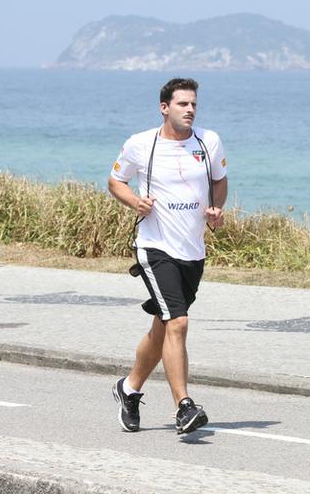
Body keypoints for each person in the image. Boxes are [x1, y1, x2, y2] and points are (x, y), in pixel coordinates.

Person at [108, 78, 228, 434]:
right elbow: (115, 181)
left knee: (163, 326)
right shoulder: (141, 144)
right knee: (178, 322)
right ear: (164, 107)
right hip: (154, 247)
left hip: (193, 251)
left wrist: (216, 209)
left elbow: (220, 180)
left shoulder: (209, 141)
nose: (190, 110)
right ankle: (184, 407)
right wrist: (135, 202)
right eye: (182, 104)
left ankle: (128, 389)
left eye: (193, 104)